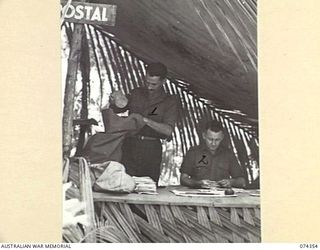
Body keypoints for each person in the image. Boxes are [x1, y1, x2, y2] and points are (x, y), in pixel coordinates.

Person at [110, 62, 178, 183]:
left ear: (163, 81)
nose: (149, 87)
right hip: (130, 146)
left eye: (154, 84)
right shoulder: (136, 93)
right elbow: (119, 107)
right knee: (125, 184)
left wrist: (145, 121)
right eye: (147, 82)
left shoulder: (169, 101)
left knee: (148, 186)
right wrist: (115, 100)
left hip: (151, 150)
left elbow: (168, 130)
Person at [180, 120, 246, 188]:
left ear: (222, 137)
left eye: (217, 140)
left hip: (222, 196)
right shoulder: (193, 153)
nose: (213, 143)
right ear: (204, 136)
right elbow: (183, 179)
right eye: (210, 139)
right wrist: (198, 183)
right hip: (198, 195)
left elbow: (241, 180)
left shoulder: (228, 154)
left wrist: (231, 182)